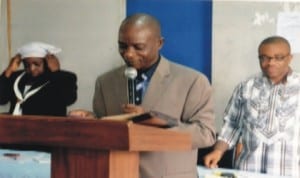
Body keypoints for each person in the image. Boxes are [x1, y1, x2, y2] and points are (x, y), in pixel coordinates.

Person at [69, 13, 216, 178]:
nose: (128, 54)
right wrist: (91, 122)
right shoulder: (105, 82)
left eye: (138, 47)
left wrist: (155, 120)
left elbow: (206, 135)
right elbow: (105, 133)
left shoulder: (192, 81)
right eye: (122, 46)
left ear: (159, 43)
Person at [204, 36, 300, 177]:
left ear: (289, 58)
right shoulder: (246, 87)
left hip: (289, 172)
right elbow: (232, 125)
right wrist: (218, 151)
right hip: (248, 171)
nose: (270, 63)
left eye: (278, 57)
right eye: (264, 58)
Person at [0, 41, 77, 116]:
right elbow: (1, 100)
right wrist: (9, 70)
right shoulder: (16, 77)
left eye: (36, 64)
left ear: (47, 63)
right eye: (27, 65)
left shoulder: (64, 78)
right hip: (14, 126)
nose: (32, 68)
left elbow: (69, 99)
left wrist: (56, 72)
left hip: (46, 127)